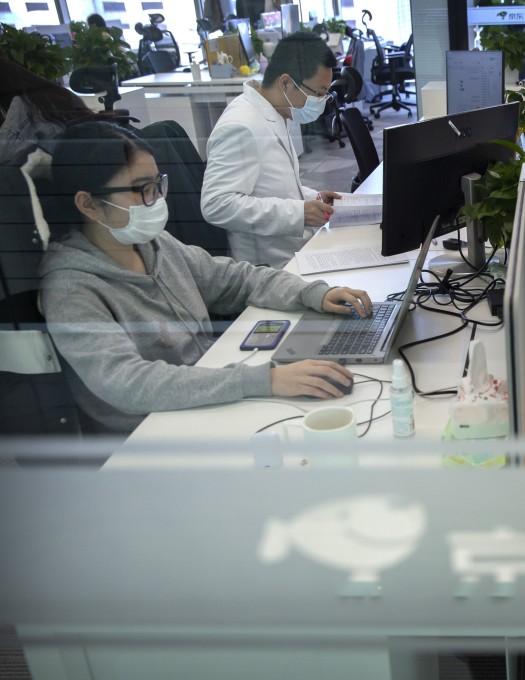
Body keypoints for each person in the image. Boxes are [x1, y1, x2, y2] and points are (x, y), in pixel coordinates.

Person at [39, 122, 372, 434]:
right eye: (143, 190)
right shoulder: (71, 289)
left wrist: (312, 293)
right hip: (152, 431)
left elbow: (235, 279)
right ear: (89, 204)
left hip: (207, 394)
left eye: (158, 184)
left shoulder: (152, 243)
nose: (156, 200)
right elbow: (130, 383)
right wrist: (265, 380)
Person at [201, 32, 340, 269]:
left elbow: (270, 185)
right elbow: (216, 204)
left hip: (295, 251)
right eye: (318, 93)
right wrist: (298, 214)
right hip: (268, 267)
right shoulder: (241, 125)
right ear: (286, 82)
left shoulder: (276, 110)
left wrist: (311, 199)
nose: (322, 101)